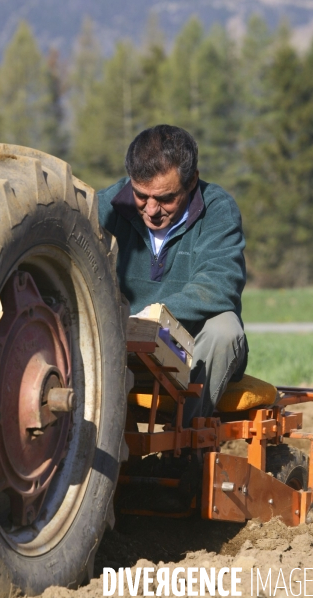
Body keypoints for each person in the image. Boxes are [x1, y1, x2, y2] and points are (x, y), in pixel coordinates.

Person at [98, 124, 247, 426]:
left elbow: (219, 286)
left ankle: (185, 443)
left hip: (186, 347)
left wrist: (151, 319)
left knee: (225, 330)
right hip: (116, 341)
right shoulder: (105, 207)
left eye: (165, 199)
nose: (151, 210)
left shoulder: (219, 209)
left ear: (192, 181)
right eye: (141, 195)